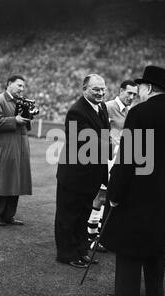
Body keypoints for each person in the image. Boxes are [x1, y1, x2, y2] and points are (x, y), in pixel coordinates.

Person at [101, 66, 165, 296]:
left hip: (136, 195)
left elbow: (127, 159)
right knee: (156, 251)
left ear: (148, 87)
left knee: (129, 251)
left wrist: (115, 194)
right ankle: (154, 294)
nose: (137, 91)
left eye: (140, 86)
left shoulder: (140, 113)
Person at [55, 74, 110, 268]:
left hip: (90, 176)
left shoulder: (101, 107)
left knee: (82, 216)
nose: (101, 92)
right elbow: (86, 142)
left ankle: (81, 251)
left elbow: (103, 135)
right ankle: (66, 254)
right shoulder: (76, 111)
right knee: (68, 216)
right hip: (74, 175)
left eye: (103, 89)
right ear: (84, 89)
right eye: (96, 89)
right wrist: (111, 145)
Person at [87, 80, 138, 250]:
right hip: (107, 158)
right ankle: (90, 233)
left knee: (109, 197)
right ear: (121, 91)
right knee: (100, 196)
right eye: (129, 93)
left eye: (134, 95)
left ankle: (100, 234)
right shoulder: (107, 107)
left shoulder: (130, 111)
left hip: (118, 159)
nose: (131, 97)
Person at [0, 75, 32, 226]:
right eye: (19, 85)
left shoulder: (20, 102)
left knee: (15, 180)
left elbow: (25, 126)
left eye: (23, 86)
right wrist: (14, 120)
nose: (22, 89)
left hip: (20, 145)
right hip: (4, 146)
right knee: (2, 179)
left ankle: (9, 215)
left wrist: (28, 116)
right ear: (9, 84)